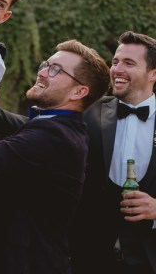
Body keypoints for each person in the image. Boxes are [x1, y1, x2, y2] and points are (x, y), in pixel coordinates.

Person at [0, 39, 110, 274]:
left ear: (79, 91)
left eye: (55, 70)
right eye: (46, 64)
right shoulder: (54, 126)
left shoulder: (55, 137)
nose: (42, 73)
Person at [70, 31, 156, 274]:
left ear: (154, 74)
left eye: (129, 63)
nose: (117, 69)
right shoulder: (90, 110)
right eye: (116, 61)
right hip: (90, 256)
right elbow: (47, 126)